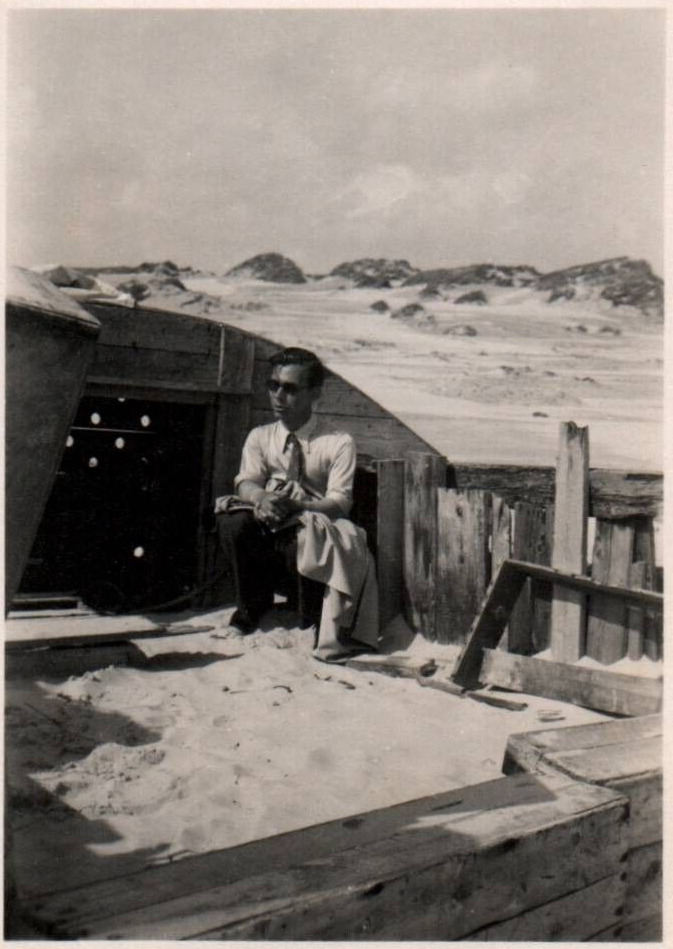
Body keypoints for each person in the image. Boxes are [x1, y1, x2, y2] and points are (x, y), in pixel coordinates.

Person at [215, 347, 380, 661]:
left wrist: (299, 507)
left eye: (290, 389)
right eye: (273, 385)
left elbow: (340, 502)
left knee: (318, 537)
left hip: (312, 518)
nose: (278, 396)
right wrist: (261, 498)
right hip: (271, 516)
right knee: (232, 520)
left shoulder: (338, 441)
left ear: (314, 393)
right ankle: (251, 608)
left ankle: (310, 619)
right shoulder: (260, 437)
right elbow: (246, 481)